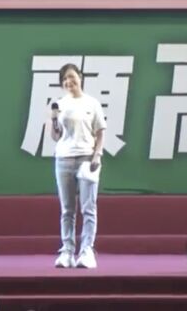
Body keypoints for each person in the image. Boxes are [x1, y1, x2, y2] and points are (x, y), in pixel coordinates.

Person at [50, 62, 106, 269]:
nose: (68, 82)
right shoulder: (59, 104)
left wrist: (97, 155)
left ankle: (87, 251)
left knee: (88, 208)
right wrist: (53, 120)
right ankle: (67, 251)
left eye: (71, 77)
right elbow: (55, 136)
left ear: (80, 77)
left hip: (86, 159)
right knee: (67, 210)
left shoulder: (92, 103)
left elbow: (100, 132)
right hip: (63, 159)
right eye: (64, 79)